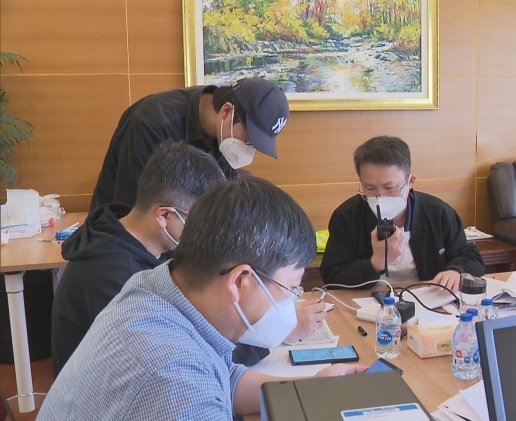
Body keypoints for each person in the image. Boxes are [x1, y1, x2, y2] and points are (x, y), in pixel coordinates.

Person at [38, 177, 367, 419]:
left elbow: (223, 378)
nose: (291, 302)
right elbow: (194, 388)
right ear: (240, 281)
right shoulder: (177, 383)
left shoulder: (156, 287)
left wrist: (310, 389)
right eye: (291, 289)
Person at [52, 144, 327, 376]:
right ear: (164, 216)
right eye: (198, 220)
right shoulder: (119, 279)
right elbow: (187, 352)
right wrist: (272, 329)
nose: (207, 231)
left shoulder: (135, 240)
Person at [89, 77, 289, 211]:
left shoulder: (223, 134)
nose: (248, 147)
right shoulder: (152, 124)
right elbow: (133, 211)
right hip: (121, 240)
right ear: (227, 111)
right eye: (248, 139)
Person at [320, 136, 484, 291]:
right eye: (369, 188)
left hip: (427, 298)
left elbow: (471, 258)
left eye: (389, 188)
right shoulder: (346, 217)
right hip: (364, 302)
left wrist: (456, 271)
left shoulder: (438, 212)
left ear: (410, 182)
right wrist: (376, 263)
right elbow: (332, 277)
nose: (380, 196)